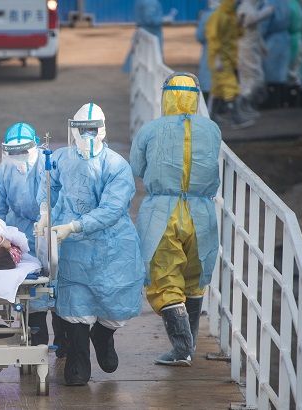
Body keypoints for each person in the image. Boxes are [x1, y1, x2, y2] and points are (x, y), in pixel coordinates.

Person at [36, 103, 145, 386]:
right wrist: (45, 212)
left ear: (103, 130)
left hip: (111, 246)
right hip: (72, 247)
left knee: (114, 300)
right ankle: (78, 359)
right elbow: (48, 185)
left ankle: (103, 335)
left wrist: (74, 226)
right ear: (72, 129)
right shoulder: (60, 158)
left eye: (92, 130)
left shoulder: (117, 166)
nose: (87, 136)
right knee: (74, 299)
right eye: (81, 129)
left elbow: (112, 209)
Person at [130, 73, 221, 366]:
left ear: (166, 96)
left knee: (164, 277)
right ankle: (189, 343)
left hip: (162, 212)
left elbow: (136, 167)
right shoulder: (212, 129)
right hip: (201, 213)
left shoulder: (150, 130)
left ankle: (181, 348)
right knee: (195, 278)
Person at [0, 122, 68, 356]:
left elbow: (65, 196)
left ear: (36, 146)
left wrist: (50, 218)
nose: (19, 157)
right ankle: (35, 347)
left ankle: (64, 344)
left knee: (59, 286)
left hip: (54, 229)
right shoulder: (4, 171)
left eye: (23, 151)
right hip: (21, 235)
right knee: (30, 290)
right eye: (13, 152)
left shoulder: (50, 164)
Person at [206, 0, 254, 128]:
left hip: (229, 58)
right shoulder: (218, 16)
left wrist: (240, 24)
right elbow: (213, 38)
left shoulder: (232, 16)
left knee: (218, 89)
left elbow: (237, 35)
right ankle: (236, 118)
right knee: (230, 86)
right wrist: (217, 58)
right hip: (220, 59)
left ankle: (212, 116)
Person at [236, 0, 274, 115]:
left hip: (252, 49)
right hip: (246, 49)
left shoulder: (251, 7)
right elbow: (248, 21)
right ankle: (242, 105)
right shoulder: (244, 7)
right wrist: (265, 13)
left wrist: (262, 46)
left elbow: (255, 31)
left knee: (254, 78)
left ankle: (246, 106)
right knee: (252, 78)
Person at [122, 0, 177, 72]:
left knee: (140, 57)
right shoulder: (150, 2)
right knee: (152, 58)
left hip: (143, 32)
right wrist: (166, 19)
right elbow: (151, 20)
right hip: (152, 33)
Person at [262, 0, 291, 108]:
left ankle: (272, 102)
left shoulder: (269, 3)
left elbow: (264, 24)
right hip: (285, 38)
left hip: (271, 41)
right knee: (281, 72)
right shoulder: (285, 3)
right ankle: (282, 100)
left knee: (271, 73)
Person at [197, 0, 219, 102]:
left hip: (209, 52)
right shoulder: (230, 15)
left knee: (207, 80)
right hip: (227, 54)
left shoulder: (207, 15)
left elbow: (200, 36)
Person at [287, 0, 302, 106]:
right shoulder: (297, 5)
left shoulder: (290, 5)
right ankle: (300, 99)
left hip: (292, 41)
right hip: (299, 39)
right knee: (297, 70)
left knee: (292, 72)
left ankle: (293, 100)